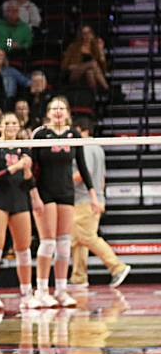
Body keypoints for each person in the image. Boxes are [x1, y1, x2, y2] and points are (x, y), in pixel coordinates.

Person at [31, 97, 100, 308]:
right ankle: (42, 290)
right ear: (48, 113)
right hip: (45, 192)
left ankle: (61, 290)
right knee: (48, 241)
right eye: (54, 109)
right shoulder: (40, 134)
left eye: (62, 108)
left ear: (68, 112)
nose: (58, 112)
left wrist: (93, 195)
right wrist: (33, 194)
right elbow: (31, 168)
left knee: (63, 243)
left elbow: (83, 167)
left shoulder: (74, 135)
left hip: (66, 193)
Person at [0, 112, 44, 310]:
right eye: (7, 123)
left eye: (14, 123)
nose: (10, 126)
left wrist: (26, 172)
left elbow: (28, 181)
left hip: (20, 200)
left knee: (23, 249)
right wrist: (15, 167)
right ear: (0, 126)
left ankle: (27, 294)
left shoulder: (24, 148)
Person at [70, 117, 131, 288]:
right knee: (78, 239)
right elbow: (102, 178)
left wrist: (62, 183)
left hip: (85, 199)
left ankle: (117, 267)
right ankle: (78, 277)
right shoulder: (98, 147)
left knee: (87, 237)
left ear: (80, 129)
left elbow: (84, 173)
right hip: (94, 198)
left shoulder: (84, 147)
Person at [61, 25, 109, 93]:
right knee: (93, 63)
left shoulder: (95, 47)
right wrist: (79, 66)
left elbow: (104, 68)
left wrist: (101, 50)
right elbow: (64, 66)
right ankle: (107, 89)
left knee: (90, 72)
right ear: (81, 35)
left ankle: (94, 96)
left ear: (92, 34)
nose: (87, 35)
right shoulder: (73, 47)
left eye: (89, 33)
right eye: (84, 33)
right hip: (74, 73)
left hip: (91, 74)